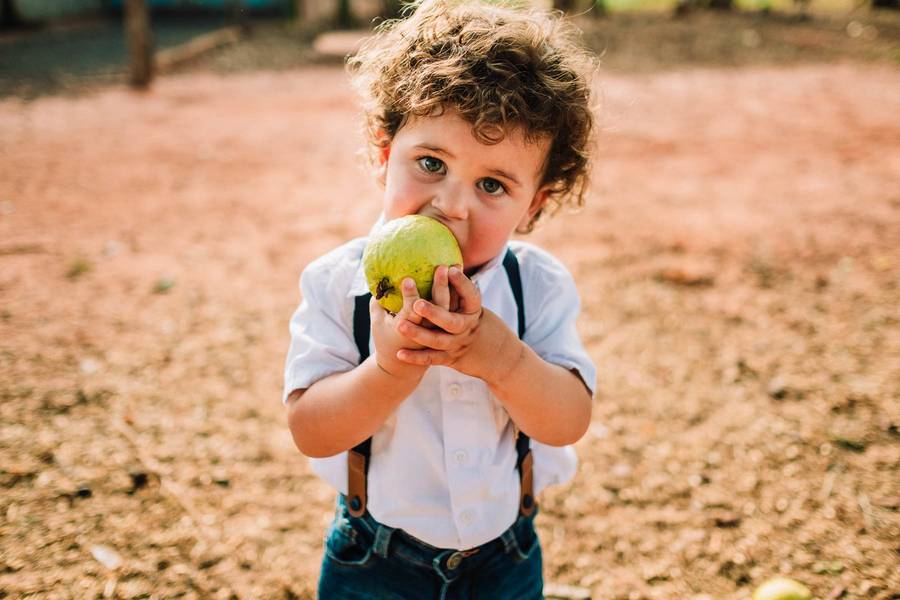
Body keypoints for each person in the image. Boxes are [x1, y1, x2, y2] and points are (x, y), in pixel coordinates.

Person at [283, 0, 597, 597]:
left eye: (492, 184)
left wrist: (502, 360)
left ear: (535, 204)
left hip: (505, 559)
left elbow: (568, 421)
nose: (452, 205)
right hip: (374, 560)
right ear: (383, 154)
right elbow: (310, 431)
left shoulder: (539, 287)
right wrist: (387, 370)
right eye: (431, 163)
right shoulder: (335, 284)